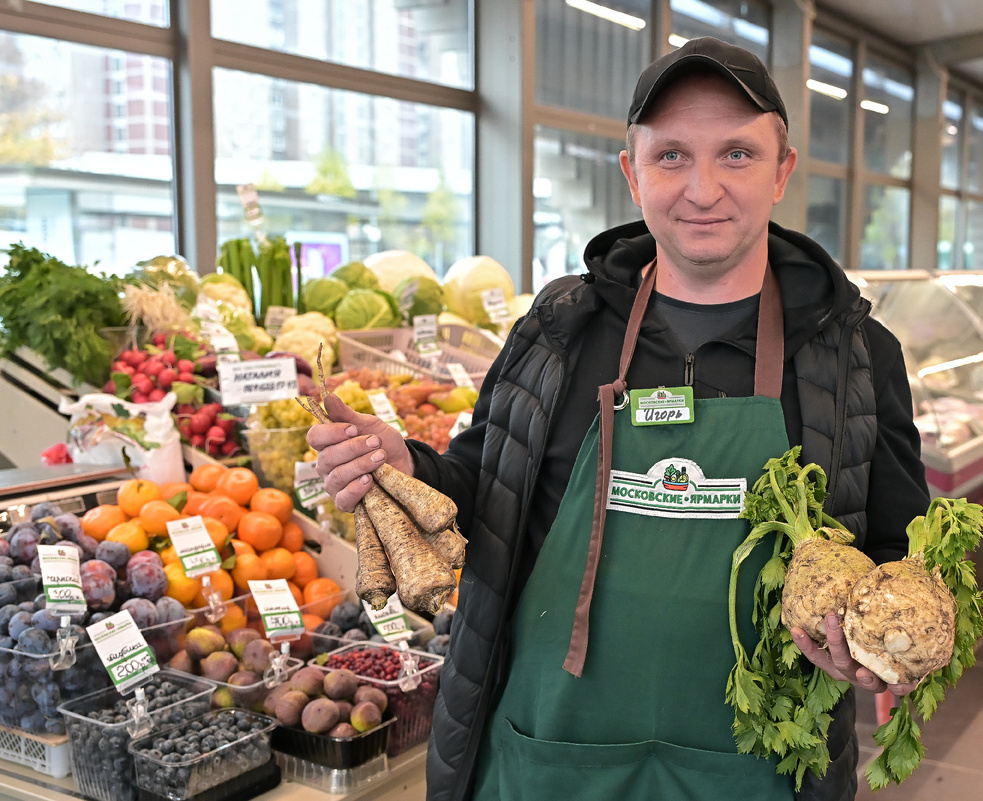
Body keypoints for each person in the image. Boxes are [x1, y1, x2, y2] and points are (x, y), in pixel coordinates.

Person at [308, 37, 930, 801]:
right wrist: (407, 468)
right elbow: (483, 488)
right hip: (547, 759)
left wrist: (867, 647)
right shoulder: (559, 328)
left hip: (755, 769)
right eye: (672, 156)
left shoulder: (855, 354)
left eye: (736, 154)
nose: (702, 188)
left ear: (782, 171)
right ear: (633, 173)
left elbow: (900, 553)